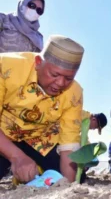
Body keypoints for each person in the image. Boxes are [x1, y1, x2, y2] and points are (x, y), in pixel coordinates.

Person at [0, 35, 85, 183]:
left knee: (73, 177)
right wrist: (17, 157)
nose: (60, 83)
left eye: (68, 78)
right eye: (54, 74)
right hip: (4, 136)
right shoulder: (6, 67)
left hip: (40, 140)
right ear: (38, 62)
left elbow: (68, 145)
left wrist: (68, 188)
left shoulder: (73, 93)